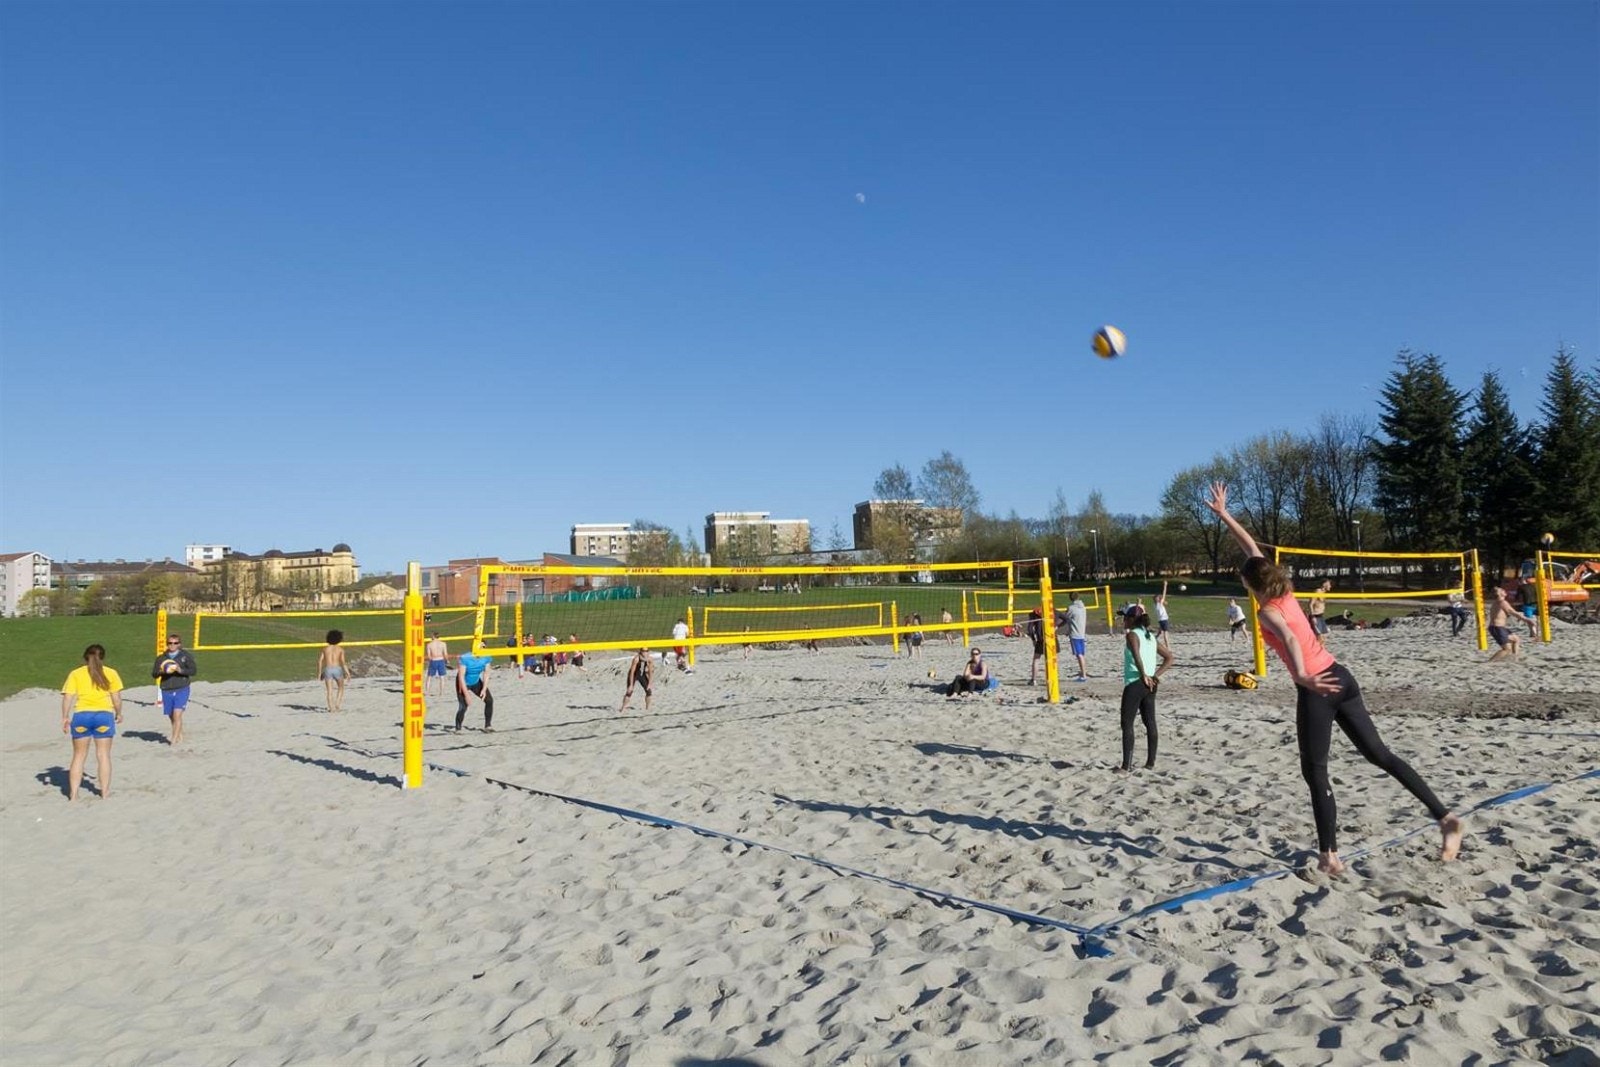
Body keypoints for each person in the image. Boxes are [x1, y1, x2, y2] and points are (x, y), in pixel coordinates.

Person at [1206, 481, 1462, 874]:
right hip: (1342, 675)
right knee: (1381, 755)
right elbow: (1251, 548)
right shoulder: (1284, 588)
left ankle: (1329, 856)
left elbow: (1289, 636)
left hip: (1320, 688)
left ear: (1247, 584)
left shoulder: (1266, 609)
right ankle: (1444, 817)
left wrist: (1304, 677)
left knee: (1315, 770)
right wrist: (1224, 515)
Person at [61, 644, 123, 801]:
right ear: (102, 657)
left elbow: (68, 696)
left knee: (79, 756)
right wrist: (119, 712)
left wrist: (65, 716)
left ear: (85, 657)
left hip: (82, 715)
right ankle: (104, 793)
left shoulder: (76, 673)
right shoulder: (110, 673)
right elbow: (116, 697)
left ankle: (74, 794)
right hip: (103, 715)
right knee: (103, 755)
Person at [1117, 608, 1173, 773]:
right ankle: (1150, 763)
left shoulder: (1132, 635)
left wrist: (1143, 675)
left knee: (1127, 723)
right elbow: (1170, 658)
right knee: (1150, 723)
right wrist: (1155, 676)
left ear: (1132, 619)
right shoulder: (1149, 636)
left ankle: (1126, 766)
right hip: (1151, 684)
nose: (1123, 620)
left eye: (1125, 617)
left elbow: (1136, 655)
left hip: (1136, 682)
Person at [151, 631, 197, 744]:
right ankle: (179, 734)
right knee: (172, 716)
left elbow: (193, 671)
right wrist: (162, 671)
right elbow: (154, 674)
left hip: (182, 688)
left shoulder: (185, 656)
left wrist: (180, 670)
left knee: (177, 714)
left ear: (179, 644)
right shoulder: (161, 658)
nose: (172, 645)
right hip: (167, 688)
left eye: (175, 643)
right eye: (170, 643)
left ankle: (173, 739)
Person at [453, 649, 494, 732]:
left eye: (483, 647)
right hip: (462, 682)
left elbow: (486, 673)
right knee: (463, 706)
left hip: (475, 682)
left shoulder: (486, 656)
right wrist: (467, 695)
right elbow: (461, 676)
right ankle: (458, 728)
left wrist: (484, 689)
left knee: (489, 700)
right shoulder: (466, 657)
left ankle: (488, 726)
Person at [1487, 586, 1523, 662]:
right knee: (1506, 649)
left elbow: (1508, 612)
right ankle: (1490, 662)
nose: (1505, 591)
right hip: (1497, 628)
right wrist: (1522, 618)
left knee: (1516, 639)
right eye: (1502, 590)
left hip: (1499, 627)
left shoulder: (1497, 602)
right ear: (1500, 594)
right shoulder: (1502, 602)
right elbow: (1512, 611)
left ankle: (1515, 658)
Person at [317, 630, 349, 713]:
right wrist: (348, 673)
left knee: (329, 691)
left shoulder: (325, 649)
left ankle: (331, 708)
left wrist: (320, 672)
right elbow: (343, 662)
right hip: (337, 668)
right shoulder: (340, 649)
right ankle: (337, 704)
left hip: (328, 669)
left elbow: (320, 661)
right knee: (341, 688)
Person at [1065, 592, 1089, 681]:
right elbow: (1075, 620)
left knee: (1079, 655)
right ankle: (1083, 673)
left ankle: (1083, 675)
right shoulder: (1083, 607)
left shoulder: (1071, 608)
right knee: (1081, 654)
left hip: (1075, 634)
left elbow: (1065, 618)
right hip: (1081, 633)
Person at [621, 647, 653, 712]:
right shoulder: (636, 659)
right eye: (643, 651)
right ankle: (623, 708)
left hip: (642, 674)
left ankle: (648, 709)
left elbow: (650, 672)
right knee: (629, 691)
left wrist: (650, 683)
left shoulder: (650, 659)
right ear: (640, 651)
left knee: (649, 691)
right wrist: (631, 685)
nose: (645, 653)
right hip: (634, 675)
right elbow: (632, 672)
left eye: (646, 651)